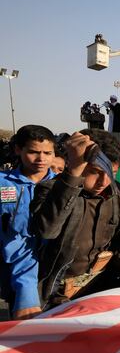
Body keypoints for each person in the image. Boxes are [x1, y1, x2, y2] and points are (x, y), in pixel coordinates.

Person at [31, 130, 120, 309]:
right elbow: (48, 230)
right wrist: (74, 172)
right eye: (95, 172)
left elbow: (116, 243)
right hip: (56, 294)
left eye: (112, 173)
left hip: (99, 289)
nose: (104, 181)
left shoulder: (118, 195)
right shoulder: (52, 189)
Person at [0, 125, 56, 319]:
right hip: (12, 269)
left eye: (47, 153)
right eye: (33, 152)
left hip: (52, 273)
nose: (41, 159)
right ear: (18, 150)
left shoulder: (61, 186)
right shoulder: (3, 183)